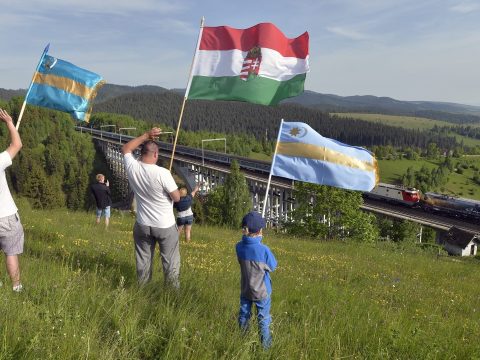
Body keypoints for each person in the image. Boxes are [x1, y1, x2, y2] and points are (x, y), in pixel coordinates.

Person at [122, 128, 180, 286]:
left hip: (143, 224)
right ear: (155, 154)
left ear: (142, 153)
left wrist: (146, 135)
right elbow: (176, 197)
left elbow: (126, 148)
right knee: (170, 264)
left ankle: (143, 291)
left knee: (143, 263)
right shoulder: (163, 173)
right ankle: (172, 296)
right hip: (165, 226)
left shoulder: (132, 167)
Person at [236, 211, 277, 349]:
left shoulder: (239, 247)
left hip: (246, 289)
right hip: (262, 292)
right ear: (260, 231)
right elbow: (273, 266)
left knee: (244, 314)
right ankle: (265, 348)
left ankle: (242, 341)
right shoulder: (264, 250)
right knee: (263, 319)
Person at [0, 109, 24, 292]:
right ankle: (16, 287)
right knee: (11, 253)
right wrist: (9, 122)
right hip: (6, 216)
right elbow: (17, 145)